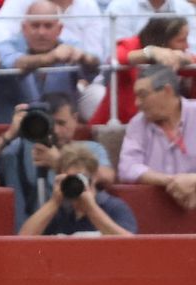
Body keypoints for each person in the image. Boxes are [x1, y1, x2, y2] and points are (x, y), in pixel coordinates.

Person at [0, 94, 112, 226]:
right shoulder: (18, 150)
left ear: (75, 119)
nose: (55, 130)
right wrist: (10, 133)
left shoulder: (91, 148)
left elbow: (108, 177)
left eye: (61, 123)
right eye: (50, 123)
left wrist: (60, 163)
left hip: (80, 225)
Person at [0, 0, 98, 123]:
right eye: (35, 25)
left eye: (48, 26)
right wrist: (51, 57)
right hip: (10, 132)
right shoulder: (5, 46)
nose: (41, 32)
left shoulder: (70, 46)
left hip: (57, 133)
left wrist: (85, 58)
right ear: (24, 27)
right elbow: (13, 64)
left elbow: (95, 71)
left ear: (60, 29)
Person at [92, 14, 195, 124]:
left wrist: (185, 59)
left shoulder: (173, 56)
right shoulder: (132, 44)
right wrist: (150, 52)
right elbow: (116, 58)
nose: (187, 46)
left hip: (155, 126)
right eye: (181, 40)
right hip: (117, 125)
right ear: (163, 41)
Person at [119, 64, 196, 208]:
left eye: (143, 95)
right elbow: (127, 168)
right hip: (153, 206)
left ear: (167, 91)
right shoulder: (138, 123)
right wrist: (171, 181)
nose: (137, 103)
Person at [18, 140, 136, 233]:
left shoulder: (114, 208)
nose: (75, 184)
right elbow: (23, 240)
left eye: (81, 178)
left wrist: (91, 208)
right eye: (70, 179)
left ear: (93, 178)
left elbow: (131, 244)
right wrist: (54, 202)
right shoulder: (58, 212)